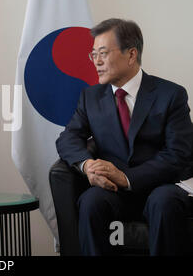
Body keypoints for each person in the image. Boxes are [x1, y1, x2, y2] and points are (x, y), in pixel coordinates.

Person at [56, 18, 193, 255]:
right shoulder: (91, 97)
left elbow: (178, 155)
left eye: (103, 53)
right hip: (114, 192)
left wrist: (126, 177)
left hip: (161, 186)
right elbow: (68, 138)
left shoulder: (171, 95)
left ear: (131, 55)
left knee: (164, 202)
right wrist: (87, 165)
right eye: (93, 54)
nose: (96, 62)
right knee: (91, 202)